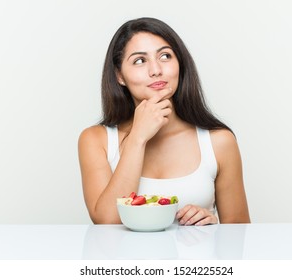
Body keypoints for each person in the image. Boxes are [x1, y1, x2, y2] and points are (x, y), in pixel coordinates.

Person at [78, 17, 250, 225]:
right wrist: (138, 138)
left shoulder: (219, 141)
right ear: (119, 76)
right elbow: (107, 222)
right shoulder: (96, 140)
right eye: (140, 61)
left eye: (165, 56)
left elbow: (239, 235)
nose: (156, 70)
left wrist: (214, 226)